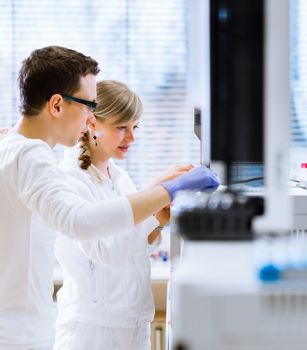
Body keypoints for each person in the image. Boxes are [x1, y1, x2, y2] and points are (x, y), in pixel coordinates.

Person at [0, 46, 218, 349]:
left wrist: (154, 211)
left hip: (24, 329)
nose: (91, 117)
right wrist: (165, 190)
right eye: (89, 105)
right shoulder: (32, 155)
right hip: (25, 335)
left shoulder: (13, 148)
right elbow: (81, 222)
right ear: (57, 105)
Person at [52, 80, 186, 349]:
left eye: (134, 127)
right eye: (121, 127)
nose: (131, 137)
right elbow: (107, 251)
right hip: (93, 331)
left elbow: (132, 243)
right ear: (91, 123)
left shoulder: (120, 177)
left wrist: (157, 223)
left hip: (132, 322)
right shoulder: (70, 180)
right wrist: (155, 195)